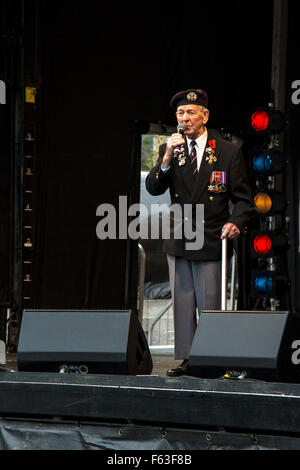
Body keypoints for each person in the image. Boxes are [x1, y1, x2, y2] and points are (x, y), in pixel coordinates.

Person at [145, 88, 253, 377]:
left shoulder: (228, 152)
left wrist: (236, 222)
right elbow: (154, 187)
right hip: (180, 237)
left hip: (211, 237)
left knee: (210, 303)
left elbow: (243, 199)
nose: (185, 118)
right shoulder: (171, 150)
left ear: (205, 116)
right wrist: (166, 157)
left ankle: (214, 358)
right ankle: (188, 359)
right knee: (182, 302)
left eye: (191, 112)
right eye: (180, 113)